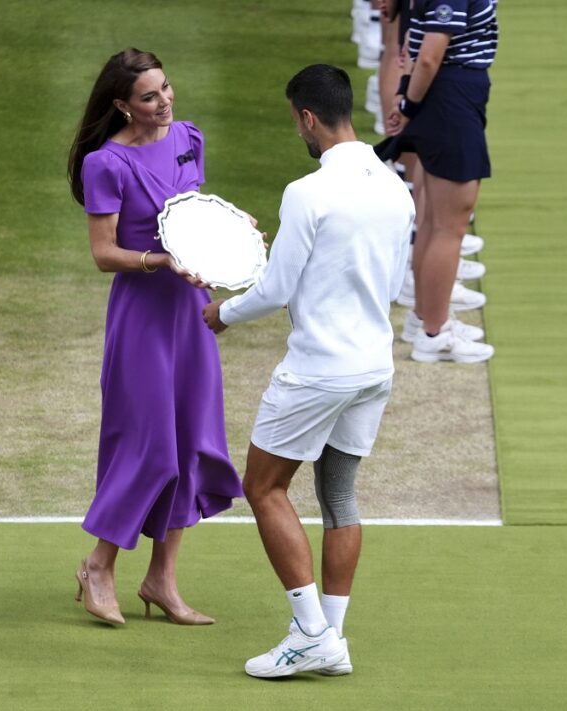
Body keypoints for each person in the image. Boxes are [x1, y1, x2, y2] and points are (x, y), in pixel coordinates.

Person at [202, 64, 414, 677]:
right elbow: (389, 280)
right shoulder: (395, 187)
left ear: (308, 118)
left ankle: (310, 631)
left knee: (263, 486)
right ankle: (331, 642)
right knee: (338, 494)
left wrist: (223, 313)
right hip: (375, 365)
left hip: (320, 369)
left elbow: (273, 290)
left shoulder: (308, 192)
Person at [66, 48, 243, 626]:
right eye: (149, 96)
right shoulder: (105, 164)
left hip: (191, 316)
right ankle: (98, 566)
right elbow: (102, 254)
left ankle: (161, 581)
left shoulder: (189, 136)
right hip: (142, 318)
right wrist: (160, 261)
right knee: (148, 448)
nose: (164, 101)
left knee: (191, 442)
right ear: (122, 104)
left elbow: (198, 218)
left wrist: (231, 244)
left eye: (166, 88)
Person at [382, 0, 499, 363]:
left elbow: (412, 43)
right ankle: (435, 333)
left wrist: (406, 94)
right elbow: (429, 54)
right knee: (449, 225)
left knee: (433, 218)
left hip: (443, 96)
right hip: (449, 99)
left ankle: (425, 319)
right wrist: (407, 107)